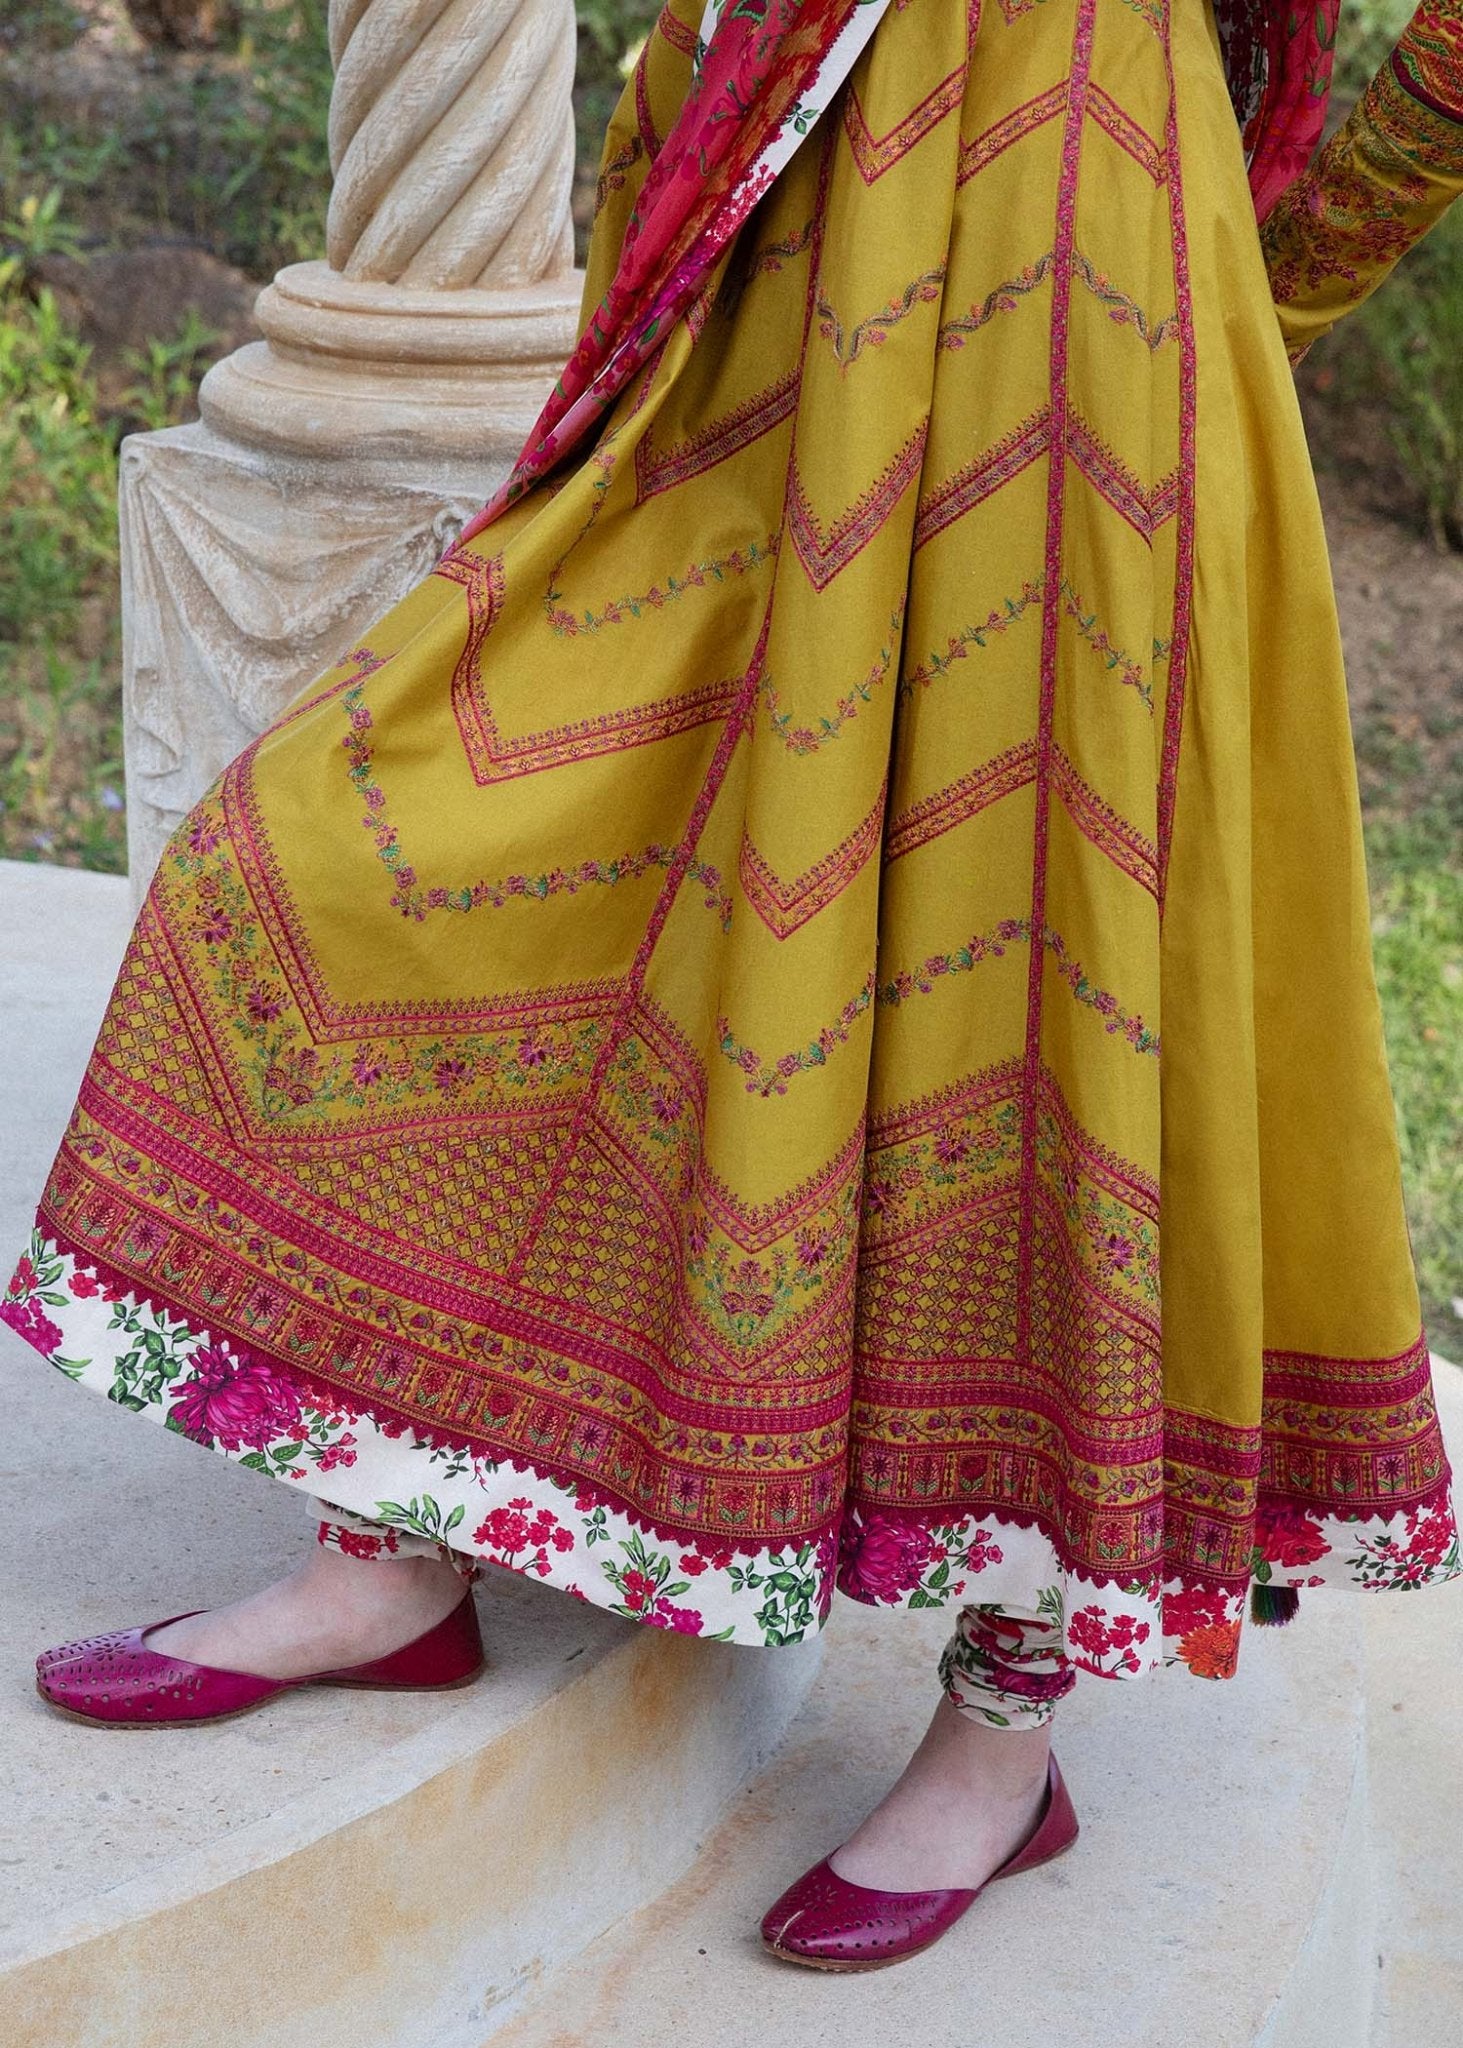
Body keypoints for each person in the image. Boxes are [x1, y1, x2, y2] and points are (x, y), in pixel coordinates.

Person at [7, 0, 1463, 1975]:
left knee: (1040, 1005)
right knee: (368, 840)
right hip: (787, 263)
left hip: (1087, 294)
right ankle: (382, 1554)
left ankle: (1003, 1728)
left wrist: (1290, 257)